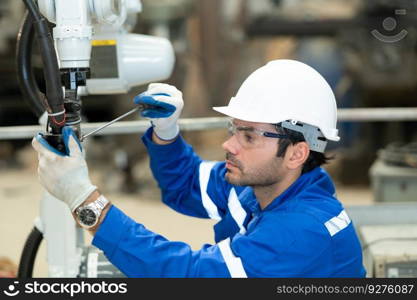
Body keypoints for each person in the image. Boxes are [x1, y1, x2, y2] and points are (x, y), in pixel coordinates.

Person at [32, 59, 366, 277]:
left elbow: (188, 276)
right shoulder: (261, 188)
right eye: (234, 129)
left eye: (248, 136)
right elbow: (186, 185)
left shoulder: (302, 231)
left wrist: (84, 200)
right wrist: (167, 134)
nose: (229, 145)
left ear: (297, 153)